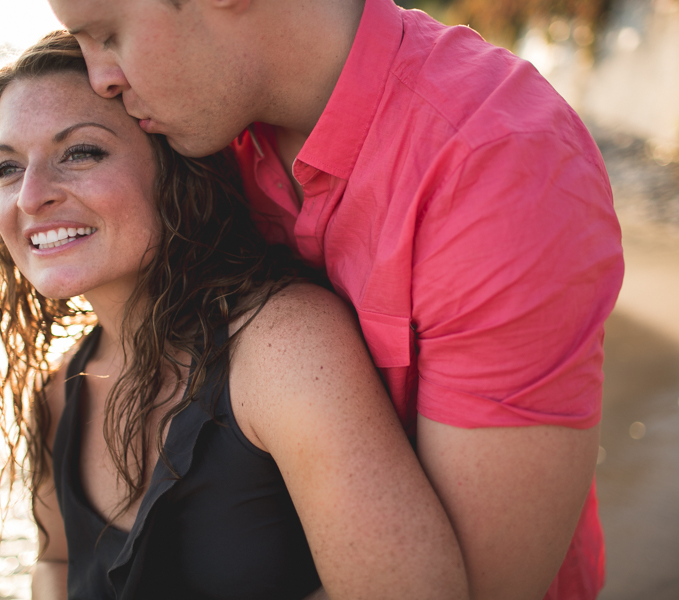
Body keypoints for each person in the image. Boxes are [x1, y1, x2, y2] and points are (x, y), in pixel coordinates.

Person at [46, 0, 627, 598]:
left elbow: (480, 589)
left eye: (109, 35)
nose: (101, 79)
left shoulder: (497, 168)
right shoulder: (203, 133)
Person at [0, 32, 467, 600]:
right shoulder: (59, 392)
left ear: (172, 167)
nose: (31, 196)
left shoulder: (280, 345)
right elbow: (55, 562)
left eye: (81, 152)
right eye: (5, 168)